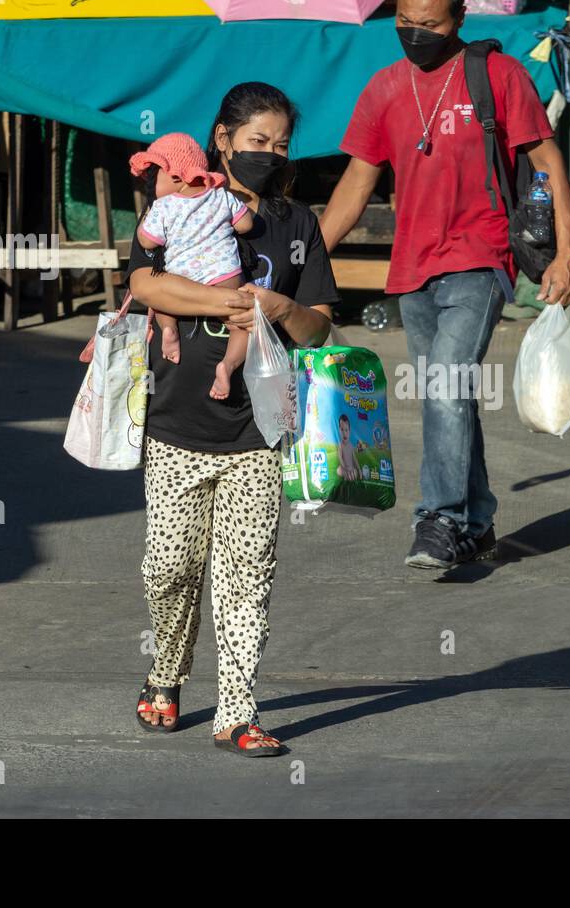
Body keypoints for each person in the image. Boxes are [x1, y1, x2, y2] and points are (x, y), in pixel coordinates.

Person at [320, 0, 570, 571]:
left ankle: (437, 520)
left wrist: (567, 254)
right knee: (451, 392)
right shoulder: (384, 88)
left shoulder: (498, 74)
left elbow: (546, 162)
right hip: (412, 271)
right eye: (405, 21)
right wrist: (304, 259)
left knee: (442, 383)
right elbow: (356, 186)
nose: (415, 34)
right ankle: (478, 520)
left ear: (459, 17)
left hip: (481, 257)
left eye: (430, 24)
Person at [125, 82, 339, 756]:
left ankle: (238, 710)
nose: (268, 155)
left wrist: (276, 308)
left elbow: (320, 329)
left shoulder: (296, 226)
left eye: (279, 145)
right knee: (168, 568)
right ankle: (165, 674)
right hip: (175, 421)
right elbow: (144, 284)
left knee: (247, 573)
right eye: (256, 142)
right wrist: (224, 306)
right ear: (222, 140)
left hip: (258, 430)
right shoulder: (175, 201)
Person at [129, 132, 254, 400]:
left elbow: (148, 242)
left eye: (151, 181)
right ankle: (228, 365)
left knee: (160, 301)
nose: (149, 189)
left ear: (175, 177)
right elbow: (246, 225)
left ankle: (170, 329)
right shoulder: (221, 196)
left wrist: (147, 218)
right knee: (240, 327)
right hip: (225, 276)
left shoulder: (163, 207)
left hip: (182, 280)